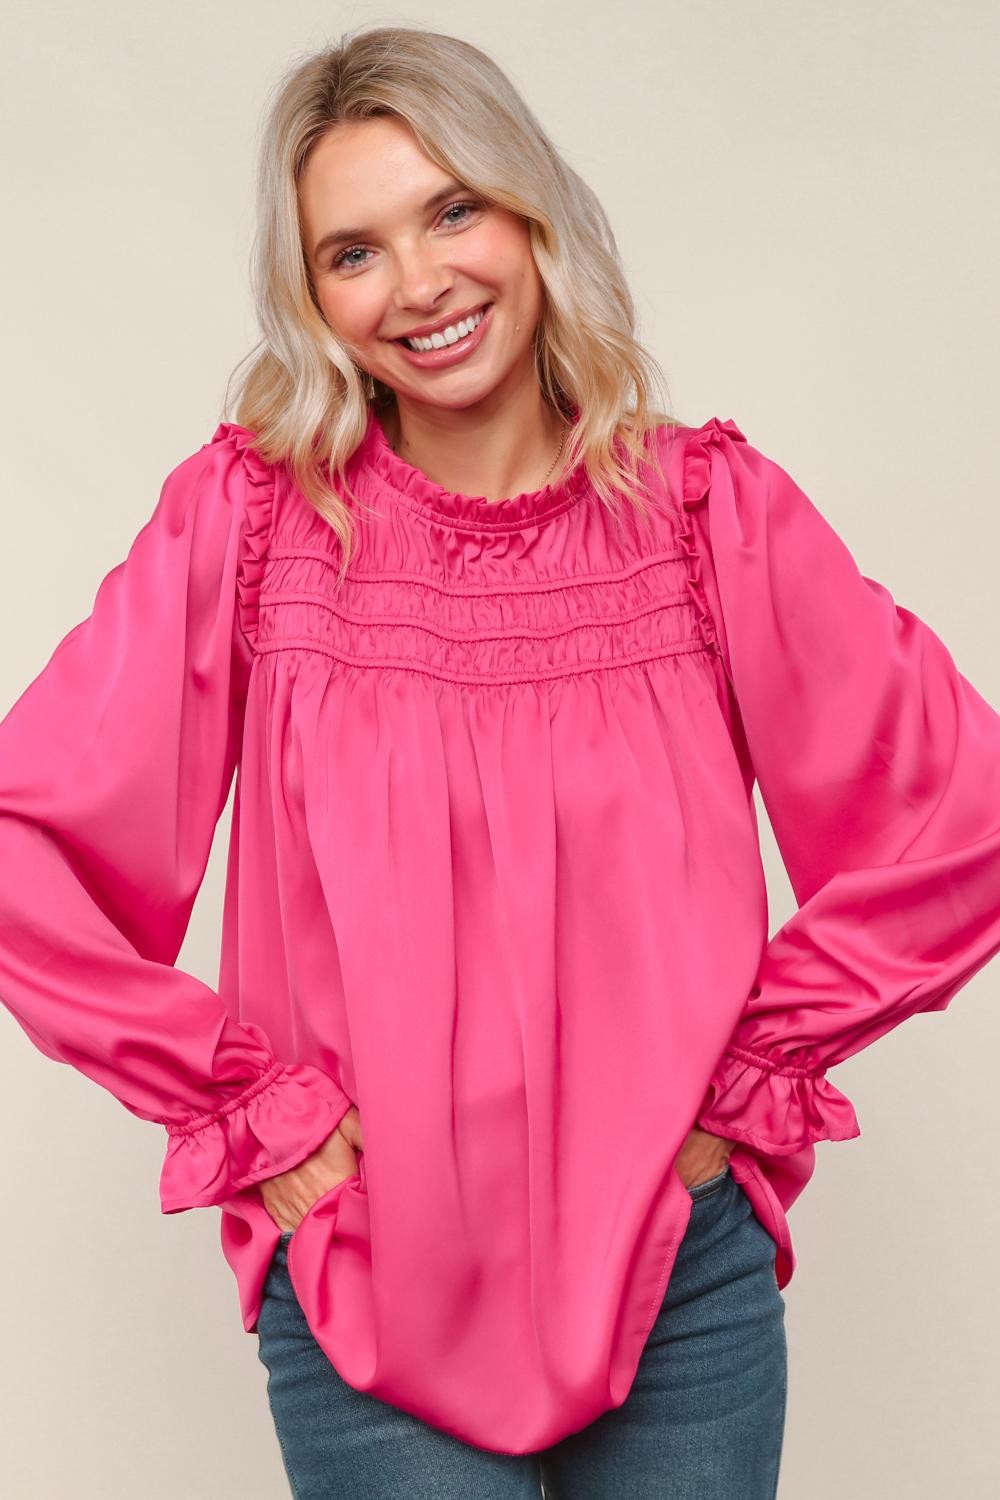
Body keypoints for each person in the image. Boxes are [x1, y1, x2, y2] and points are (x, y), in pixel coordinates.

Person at [2, 21, 998, 1500]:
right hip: (364, 1282)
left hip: (680, 1279)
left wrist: (749, 1077)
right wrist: (244, 1113)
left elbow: (964, 816)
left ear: (533, 215)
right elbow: (26, 849)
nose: (419, 283)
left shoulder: (705, 517)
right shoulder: (255, 526)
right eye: (354, 252)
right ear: (314, 300)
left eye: (453, 209)